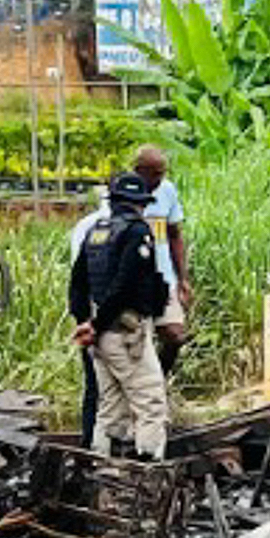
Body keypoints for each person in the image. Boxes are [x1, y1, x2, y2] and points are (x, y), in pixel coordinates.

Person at [67, 165, 172, 462]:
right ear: (140, 203)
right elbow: (125, 284)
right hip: (125, 332)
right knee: (149, 401)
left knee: (110, 404)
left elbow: (77, 283)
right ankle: (149, 470)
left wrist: (86, 323)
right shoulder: (136, 232)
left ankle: (102, 466)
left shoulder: (96, 232)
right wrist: (98, 325)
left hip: (99, 334)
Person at [130, 141, 190, 363]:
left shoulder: (167, 190)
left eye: (162, 173)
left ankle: (160, 382)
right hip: (133, 280)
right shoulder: (124, 191)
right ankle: (146, 388)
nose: (158, 179)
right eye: (153, 173)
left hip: (163, 277)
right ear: (138, 171)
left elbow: (174, 235)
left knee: (174, 336)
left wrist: (182, 278)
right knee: (135, 341)